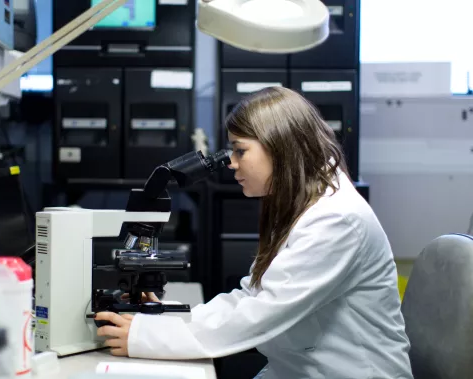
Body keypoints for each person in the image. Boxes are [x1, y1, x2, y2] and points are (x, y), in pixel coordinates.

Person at [96, 86, 413, 379]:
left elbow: (259, 315)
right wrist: (169, 320)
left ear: (280, 147)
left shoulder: (337, 220)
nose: (231, 163)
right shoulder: (300, 201)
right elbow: (251, 297)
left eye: (240, 150)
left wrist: (143, 337)